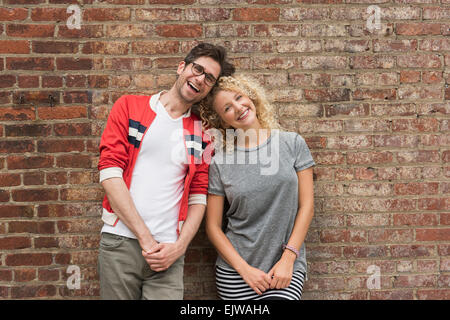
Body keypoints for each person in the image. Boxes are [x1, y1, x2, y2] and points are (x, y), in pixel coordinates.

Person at [97, 43, 235, 300]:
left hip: (169, 252)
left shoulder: (203, 134)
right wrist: (145, 238)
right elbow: (109, 173)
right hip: (120, 242)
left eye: (209, 78)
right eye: (197, 69)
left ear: (209, 90)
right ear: (181, 67)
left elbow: (198, 195)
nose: (200, 79)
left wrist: (179, 247)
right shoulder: (129, 107)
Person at [199, 75, 315, 300]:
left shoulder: (292, 144)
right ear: (224, 122)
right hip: (237, 274)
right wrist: (244, 270)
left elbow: (307, 206)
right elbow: (213, 228)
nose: (239, 107)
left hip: (283, 268)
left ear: (250, 96)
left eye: (239, 97)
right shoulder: (220, 162)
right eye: (228, 108)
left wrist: (288, 258)